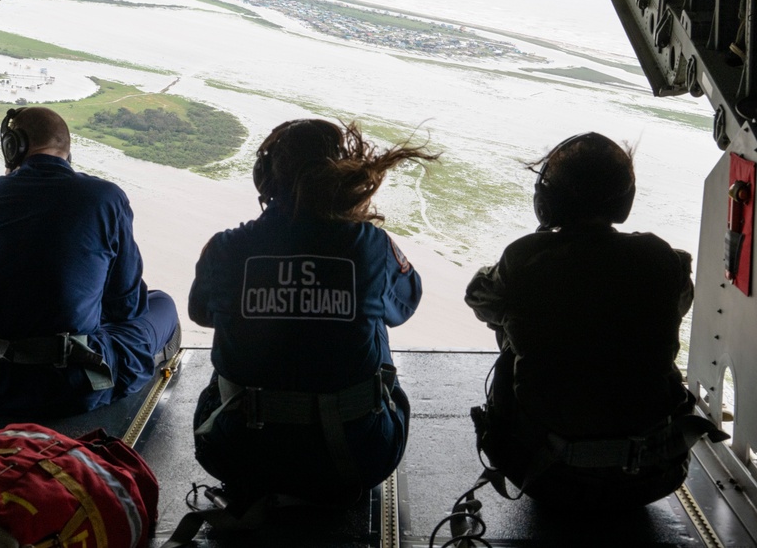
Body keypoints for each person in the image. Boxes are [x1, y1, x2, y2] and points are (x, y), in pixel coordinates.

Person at [464, 132, 725, 510]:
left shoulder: (524, 260)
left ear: (546, 201)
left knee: (509, 328)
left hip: (545, 475)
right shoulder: (663, 259)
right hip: (656, 474)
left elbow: (479, 298)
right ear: (625, 200)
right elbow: (679, 304)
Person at [189, 118, 439, 505]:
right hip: (356, 460)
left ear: (263, 178)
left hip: (235, 455)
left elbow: (201, 314)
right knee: (375, 328)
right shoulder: (371, 244)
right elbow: (404, 305)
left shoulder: (225, 247)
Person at [0, 106, 180, 417]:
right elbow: (127, 308)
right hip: (69, 386)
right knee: (162, 304)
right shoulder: (106, 198)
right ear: (67, 151)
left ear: (12, 147)